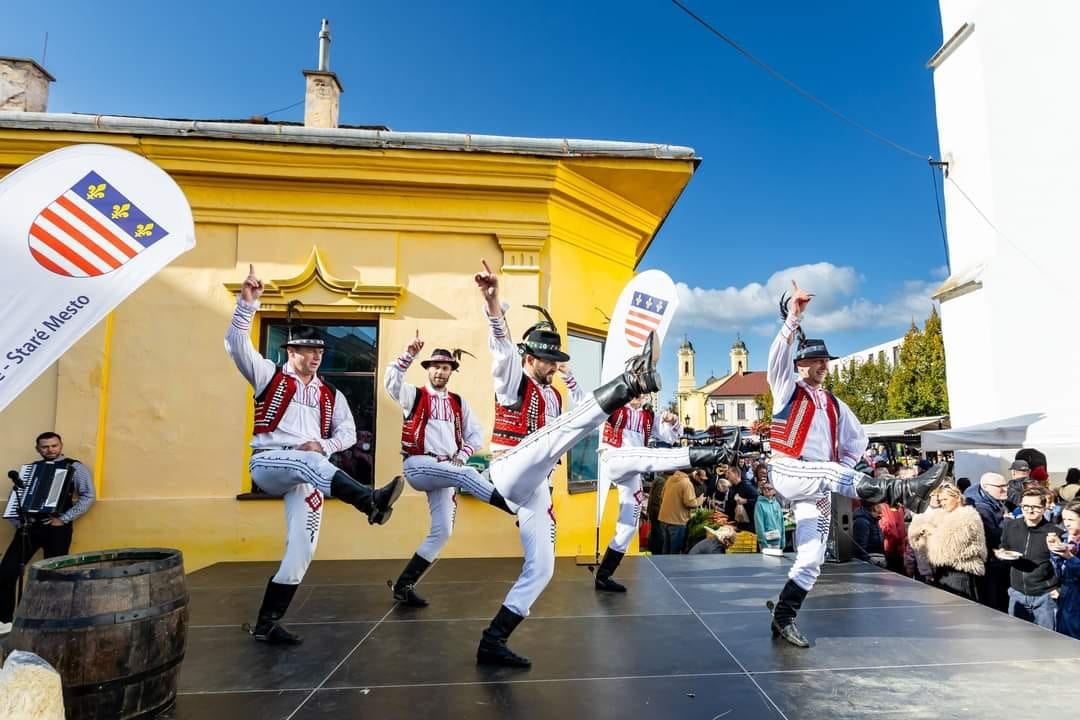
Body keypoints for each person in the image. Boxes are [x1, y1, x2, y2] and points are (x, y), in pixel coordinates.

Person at [472, 259, 660, 668]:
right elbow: (501, 353)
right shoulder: (512, 381)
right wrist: (492, 305)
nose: (555, 365)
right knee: (557, 435)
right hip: (509, 467)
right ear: (530, 357)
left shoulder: (554, 394)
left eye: (557, 359)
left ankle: (493, 640)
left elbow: (577, 420)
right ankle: (630, 382)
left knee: (542, 568)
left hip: (537, 483)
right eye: (548, 358)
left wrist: (580, 391)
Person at [225, 265, 405, 644]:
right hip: (269, 462)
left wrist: (322, 444)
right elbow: (236, 345)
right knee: (308, 462)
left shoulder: (330, 394)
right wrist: (247, 305)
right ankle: (368, 500)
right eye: (309, 349)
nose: (316, 355)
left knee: (303, 548)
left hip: (310, 470)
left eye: (320, 350)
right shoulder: (268, 376)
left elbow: (349, 433)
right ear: (291, 350)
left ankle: (267, 623)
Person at [765, 280, 945, 648]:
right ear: (799, 365)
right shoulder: (786, 388)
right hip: (788, 469)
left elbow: (857, 441)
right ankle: (903, 491)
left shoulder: (833, 404)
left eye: (825, 360)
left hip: (817, 483)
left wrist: (844, 465)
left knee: (812, 557)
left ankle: (783, 617)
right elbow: (776, 358)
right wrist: (793, 320)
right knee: (830, 473)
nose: (823, 366)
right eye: (816, 360)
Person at [384, 336, 500, 607]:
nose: (439, 371)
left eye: (445, 367)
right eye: (435, 366)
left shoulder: (459, 403)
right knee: (467, 475)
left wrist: (462, 456)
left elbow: (475, 434)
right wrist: (407, 355)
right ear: (428, 369)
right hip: (419, 464)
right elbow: (391, 384)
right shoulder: (414, 394)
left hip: (447, 469)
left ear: (451, 371)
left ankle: (404, 585)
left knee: (443, 531)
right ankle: (514, 508)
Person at [0, 432, 96, 635]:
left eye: (53, 445)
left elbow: (88, 495)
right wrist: (18, 522)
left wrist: (64, 519)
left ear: (61, 445)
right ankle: (4, 620)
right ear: (38, 449)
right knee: (6, 571)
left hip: (57, 528)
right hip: (29, 528)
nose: (50, 450)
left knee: (54, 575)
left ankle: (52, 621)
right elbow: (16, 497)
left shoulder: (75, 467)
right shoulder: (30, 470)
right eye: (45, 447)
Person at [996, 486, 1061, 630]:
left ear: (1044, 508)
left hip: (1044, 597)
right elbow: (1004, 546)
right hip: (1016, 594)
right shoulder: (1011, 526)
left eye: (1035, 507)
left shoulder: (1054, 532)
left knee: (1046, 641)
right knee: (1017, 638)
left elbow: (1063, 565)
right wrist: (1001, 553)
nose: (1030, 510)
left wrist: (1058, 589)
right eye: (1025, 506)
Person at [909, 484, 985, 600]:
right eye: (940, 500)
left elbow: (947, 548)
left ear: (957, 498)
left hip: (959, 573)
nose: (942, 503)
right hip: (944, 572)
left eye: (945, 499)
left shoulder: (967, 517)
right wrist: (920, 532)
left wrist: (932, 531)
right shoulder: (944, 515)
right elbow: (919, 540)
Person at [1048, 500, 1080, 639]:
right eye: (1064, 518)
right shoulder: (1066, 539)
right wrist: (1055, 552)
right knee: (1064, 637)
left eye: (1071, 519)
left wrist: (1070, 557)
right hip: (1066, 596)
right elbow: (1059, 572)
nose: (1066, 523)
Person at [658, 470, 704, 554]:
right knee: (675, 552)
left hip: (666, 519)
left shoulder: (670, 479)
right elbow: (690, 502)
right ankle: (672, 567)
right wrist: (700, 500)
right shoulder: (686, 483)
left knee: (666, 550)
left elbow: (662, 495)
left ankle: (664, 567)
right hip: (678, 521)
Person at [753, 479, 785, 552]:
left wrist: (783, 540)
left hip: (777, 541)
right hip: (766, 543)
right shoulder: (759, 504)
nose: (766, 490)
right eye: (764, 488)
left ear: (774, 491)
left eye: (769, 488)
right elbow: (759, 525)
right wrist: (763, 543)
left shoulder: (777, 504)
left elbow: (781, 523)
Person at [852, 501, 886, 565]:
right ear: (874, 507)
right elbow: (860, 550)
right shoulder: (862, 522)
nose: (881, 509)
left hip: (876, 562)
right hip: (869, 565)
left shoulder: (874, 520)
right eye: (879, 506)